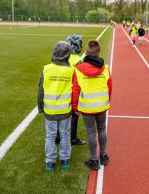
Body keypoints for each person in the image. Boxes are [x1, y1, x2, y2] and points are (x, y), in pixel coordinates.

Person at [72, 40, 112, 171]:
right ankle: (104, 156)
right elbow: (109, 87)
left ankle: (94, 160)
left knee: (91, 132)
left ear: (86, 53)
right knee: (102, 129)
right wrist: (107, 101)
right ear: (98, 52)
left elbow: (75, 90)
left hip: (87, 107)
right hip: (102, 106)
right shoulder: (105, 69)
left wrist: (75, 107)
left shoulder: (78, 69)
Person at [38, 41, 74, 171]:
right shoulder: (71, 70)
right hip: (65, 109)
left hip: (50, 109)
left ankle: (50, 161)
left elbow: (41, 90)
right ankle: (65, 160)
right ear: (68, 55)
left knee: (50, 135)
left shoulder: (46, 69)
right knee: (65, 134)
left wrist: (40, 107)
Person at [67, 35, 86, 145]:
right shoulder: (79, 60)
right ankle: (73, 138)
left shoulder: (65, 58)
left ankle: (58, 136)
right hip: (74, 91)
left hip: (63, 89)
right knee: (74, 115)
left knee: (62, 115)